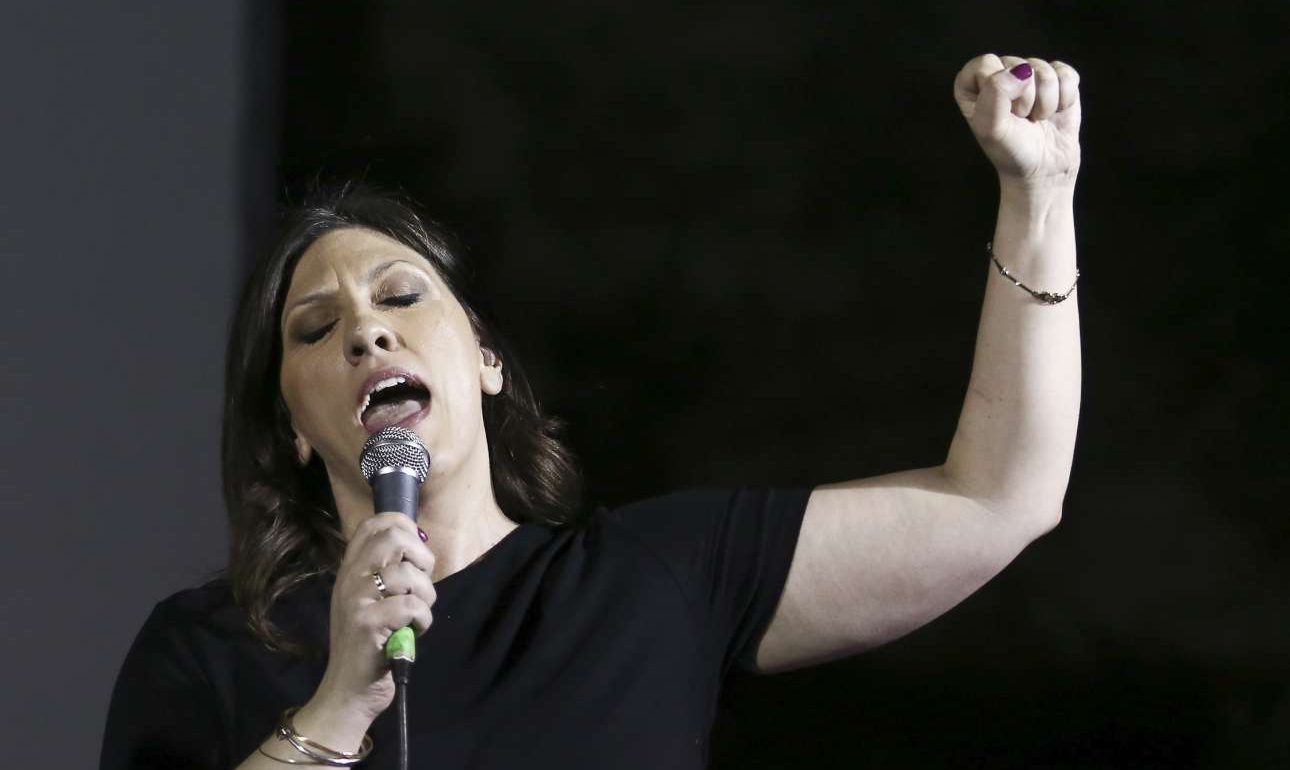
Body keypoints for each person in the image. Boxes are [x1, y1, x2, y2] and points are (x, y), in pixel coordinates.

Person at [101, 53, 1082, 769]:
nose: (366, 332)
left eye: (400, 296)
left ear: (485, 360)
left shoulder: (650, 581)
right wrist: (334, 708)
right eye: (317, 329)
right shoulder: (208, 650)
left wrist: (1037, 197)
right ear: (292, 428)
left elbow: (1000, 497)